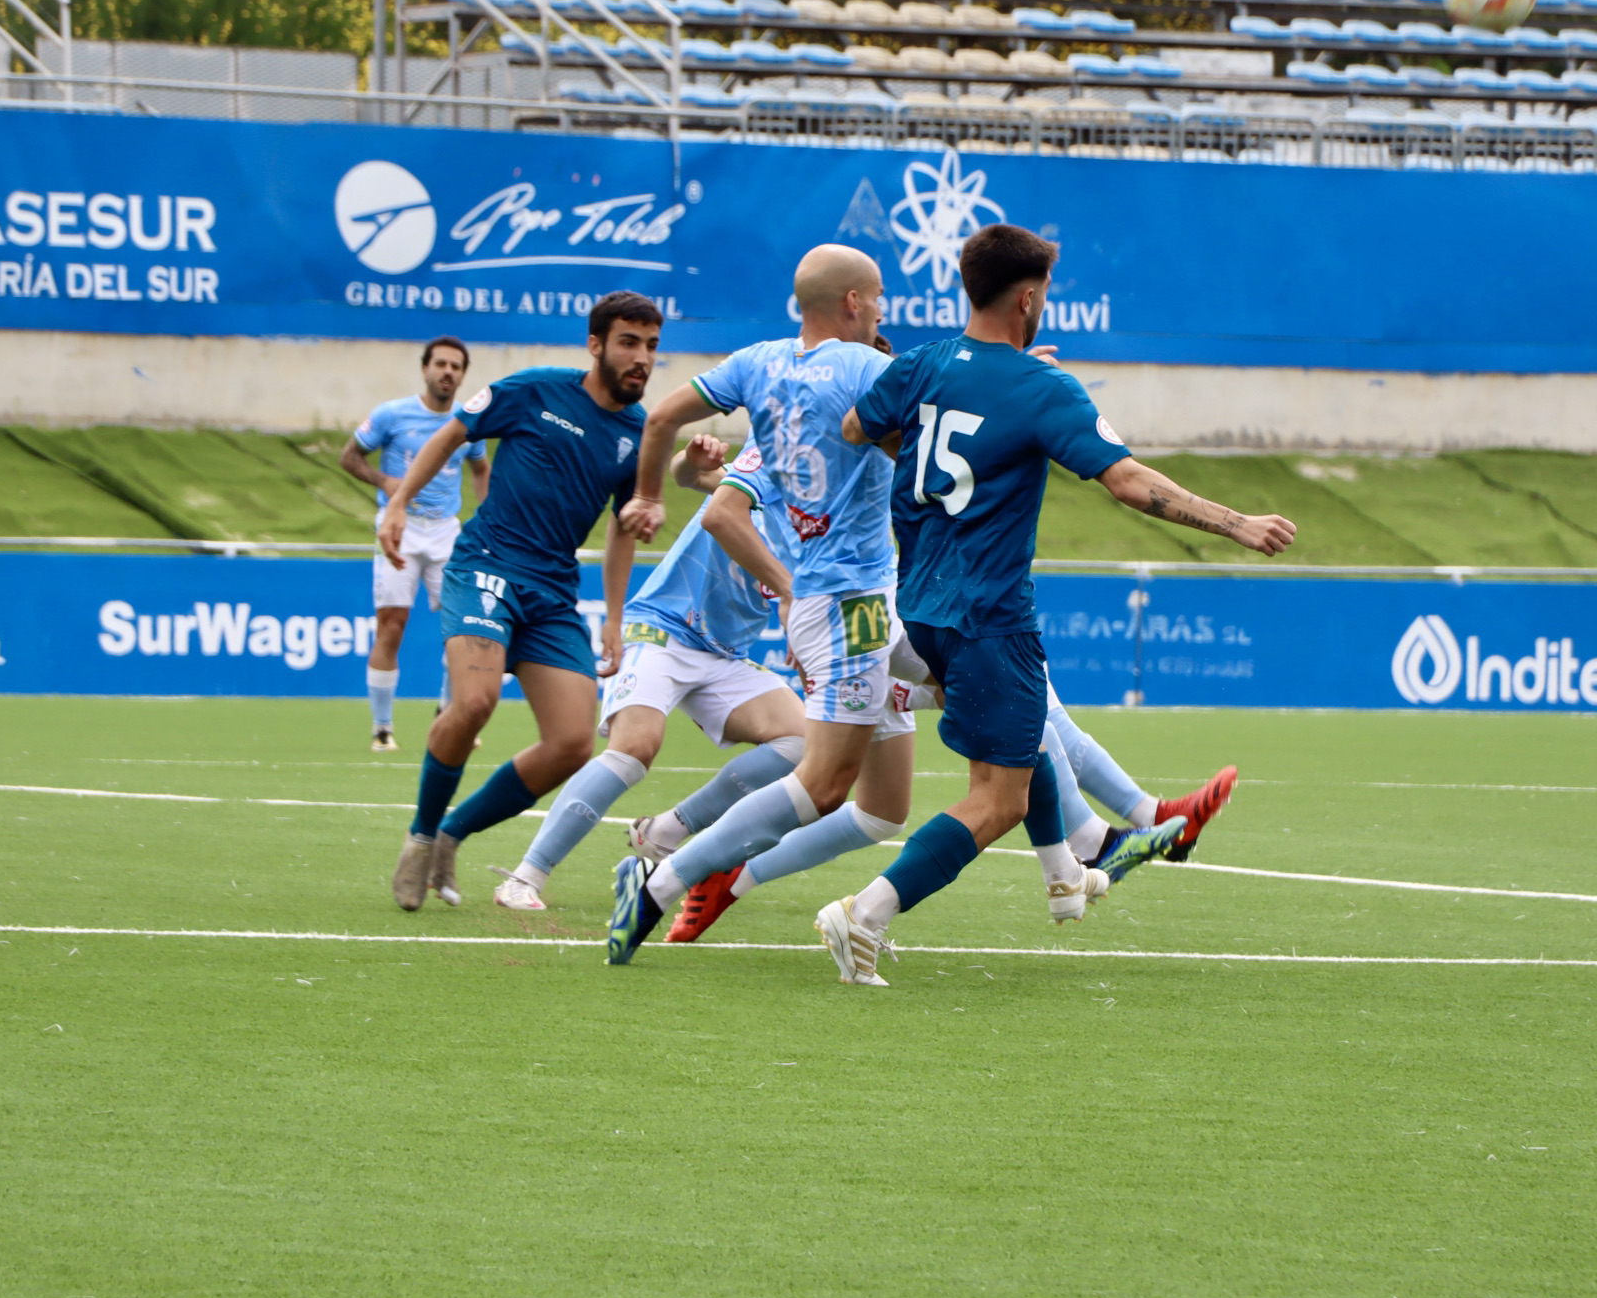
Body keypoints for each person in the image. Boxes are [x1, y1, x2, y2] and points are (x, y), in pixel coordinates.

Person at [817, 223, 1296, 986]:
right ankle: (863, 916)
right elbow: (1132, 483)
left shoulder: (922, 365)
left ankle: (1069, 875)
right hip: (989, 614)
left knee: (1033, 728)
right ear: (1030, 299)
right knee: (996, 799)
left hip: (924, 607)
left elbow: (855, 426)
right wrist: (1238, 524)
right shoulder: (1043, 391)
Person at [602, 246, 929, 965]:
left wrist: (650, 495)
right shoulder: (866, 367)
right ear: (852, 303)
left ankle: (1074, 850)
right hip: (845, 608)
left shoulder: (757, 362)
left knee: (890, 802)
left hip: (848, 602)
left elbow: (660, 418)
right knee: (821, 783)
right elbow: (948, 401)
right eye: (876, 297)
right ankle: (659, 881)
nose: (882, 309)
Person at [376, 292, 657, 912]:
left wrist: (613, 614)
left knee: (573, 744)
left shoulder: (640, 433)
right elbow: (452, 434)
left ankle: (454, 833)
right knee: (473, 702)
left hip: (554, 591)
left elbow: (621, 526)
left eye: (651, 346)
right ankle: (421, 834)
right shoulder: (533, 391)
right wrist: (397, 504)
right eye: (629, 343)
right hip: (486, 568)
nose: (642, 358)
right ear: (596, 344)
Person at [483, 433, 807, 911]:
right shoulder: (776, 460)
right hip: (664, 629)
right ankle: (525, 875)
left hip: (723, 654)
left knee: (804, 744)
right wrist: (687, 460)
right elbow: (693, 476)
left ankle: (666, 831)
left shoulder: (834, 518)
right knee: (635, 748)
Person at [340, 336, 490, 752]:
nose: (447, 372)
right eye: (440, 364)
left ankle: (449, 716)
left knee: (461, 627)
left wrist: (486, 516)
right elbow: (349, 457)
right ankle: (382, 728)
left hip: (446, 531)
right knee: (392, 625)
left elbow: (480, 468)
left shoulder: (468, 422)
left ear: (462, 375)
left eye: (456, 367)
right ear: (425, 369)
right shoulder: (392, 414)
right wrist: (386, 482)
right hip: (399, 528)